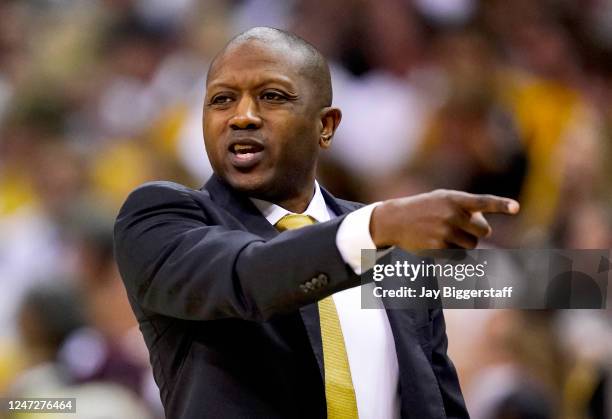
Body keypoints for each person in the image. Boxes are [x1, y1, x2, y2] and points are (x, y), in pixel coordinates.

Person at [114, 27, 520, 419]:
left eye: (271, 96)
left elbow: (439, 403)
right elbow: (248, 276)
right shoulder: (162, 217)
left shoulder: (394, 249)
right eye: (222, 100)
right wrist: (377, 225)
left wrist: (382, 230)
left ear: (325, 126)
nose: (242, 117)